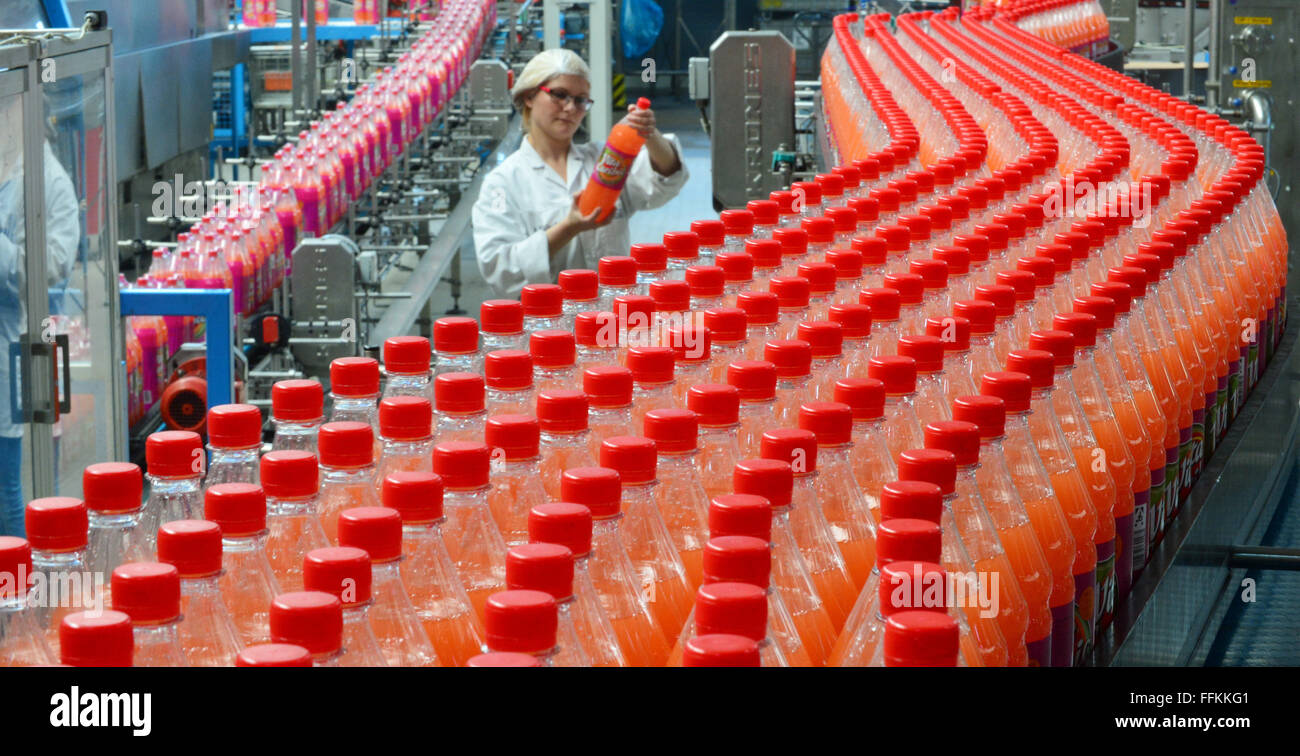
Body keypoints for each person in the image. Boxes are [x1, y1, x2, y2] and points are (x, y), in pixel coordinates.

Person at [471, 48, 689, 298]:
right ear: (530, 96)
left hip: (613, 319)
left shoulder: (603, 160)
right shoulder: (504, 182)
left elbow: (666, 180)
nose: (570, 108)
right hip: (550, 322)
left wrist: (649, 134)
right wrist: (568, 228)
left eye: (580, 100)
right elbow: (500, 270)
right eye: (559, 95)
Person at [0, 94, 80, 537]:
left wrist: (5, 254)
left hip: (18, 348)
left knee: (8, 489)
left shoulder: (49, 180)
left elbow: (54, 263)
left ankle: (14, 601)